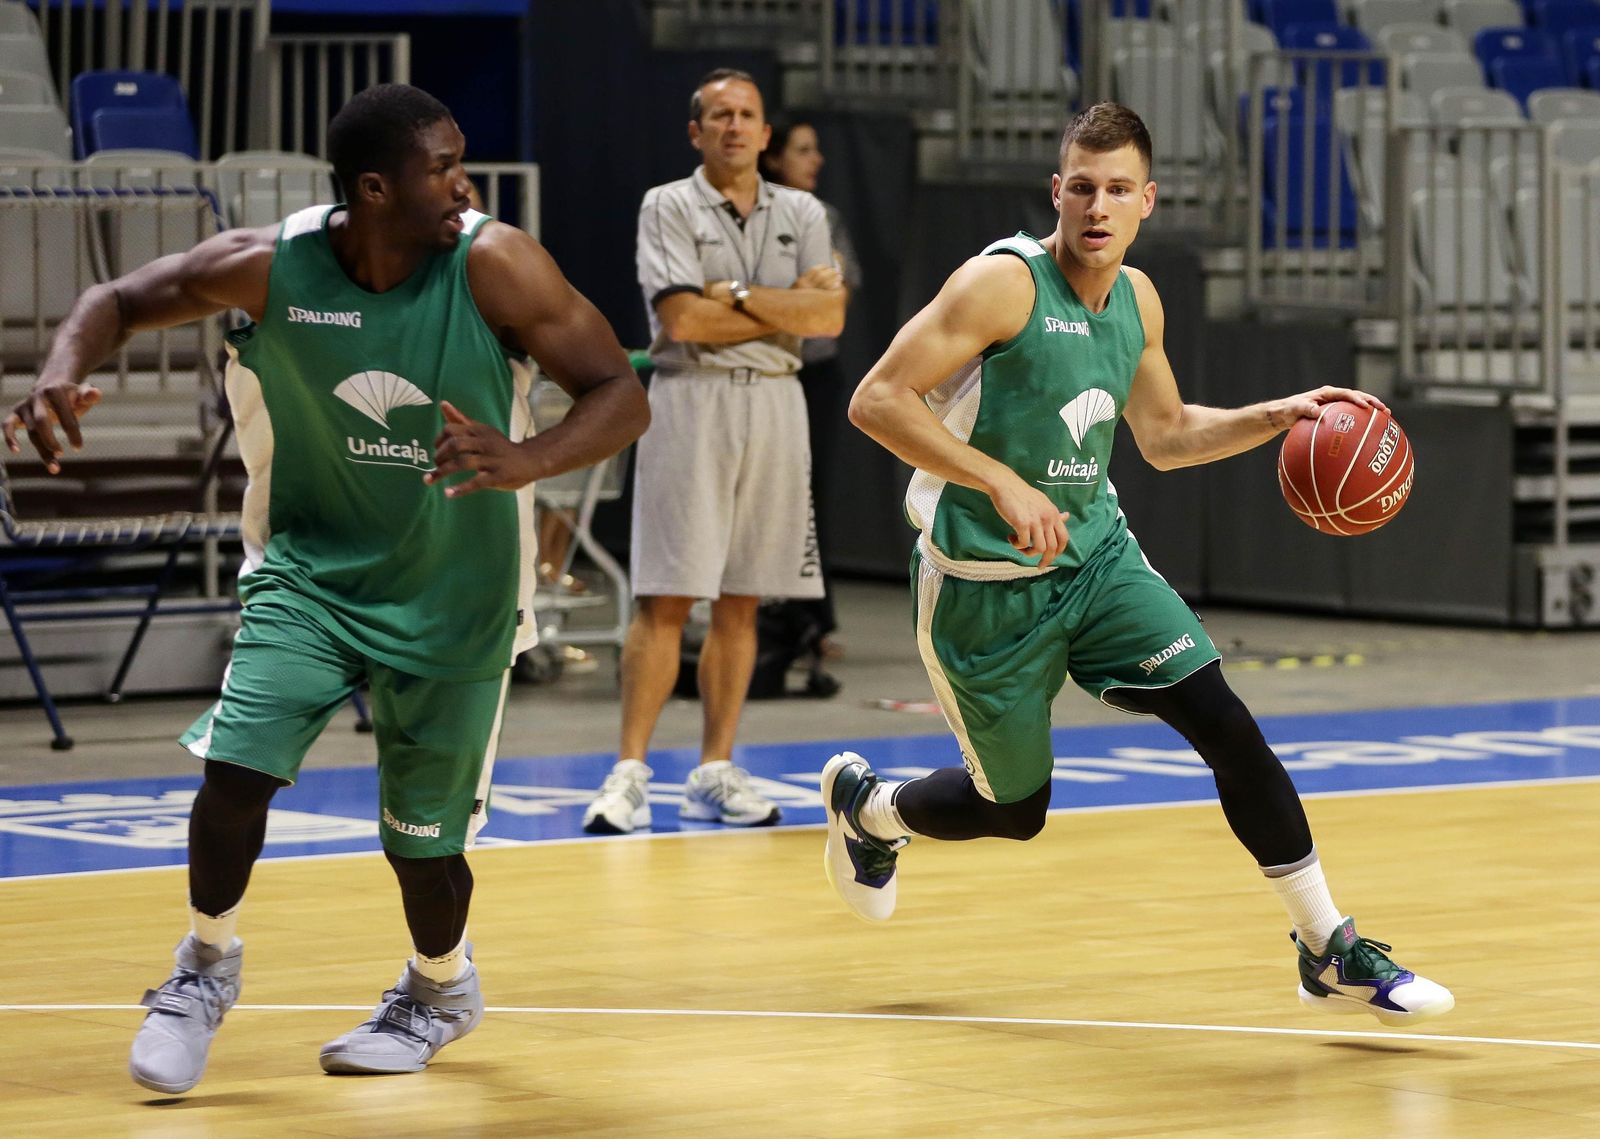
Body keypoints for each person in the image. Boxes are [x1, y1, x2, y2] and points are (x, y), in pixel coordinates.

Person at [4, 83, 649, 1093]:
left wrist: (529, 456)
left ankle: (439, 986)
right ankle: (202, 966)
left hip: (456, 591)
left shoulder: (496, 262)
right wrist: (59, 369)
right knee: (236, 769)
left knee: (422, 851)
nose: (463, 182)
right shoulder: (270, 264)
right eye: (442, 167)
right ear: (376, 189)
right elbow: (119, 300)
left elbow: (619, 391)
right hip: (308, 568)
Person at [820, 103, 1453, 1027]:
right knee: (1016, 809)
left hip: (1097, 561)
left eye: (1119, 189)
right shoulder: (1001, 285)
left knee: (1224, 721)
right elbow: (877, 400)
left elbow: (1162, 436)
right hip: (983, 592)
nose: (1099, 206)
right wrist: (998, 480)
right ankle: (871, 808)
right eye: (1083, 186)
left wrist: (1270, 415)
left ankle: (1329, 946)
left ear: (1148, 200)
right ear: (1057, 191)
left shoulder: (1139, 300)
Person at [581, 69, 845, 835]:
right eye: (719, 115)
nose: (735, 126)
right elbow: (683, 324)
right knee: (665, 596)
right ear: (696, 133)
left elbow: (827, 316)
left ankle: (715, 768)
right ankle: (629, 772)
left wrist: (727, 293)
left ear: (766, 134)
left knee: (741, 598)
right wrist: (776, 304)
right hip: (689, 397)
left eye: (747, 115)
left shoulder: (804, 209)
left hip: (776, 403)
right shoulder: (665, 204)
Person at [759, 113, 864, 674]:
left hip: (813, 376)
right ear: (773, 157)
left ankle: (814, 620)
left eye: (817, 148)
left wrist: (778, 302)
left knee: (810, 495)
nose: (815, 159)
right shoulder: (750, 215)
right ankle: (758, 615)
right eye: (803, 149)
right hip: (757, 373)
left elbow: (831, 310)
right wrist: (784, 299)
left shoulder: (826, 218)